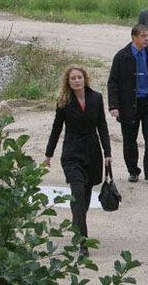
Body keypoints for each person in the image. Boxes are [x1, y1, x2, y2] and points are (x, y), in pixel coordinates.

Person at [45, 65, 112, 258]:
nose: (76, 81)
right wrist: (48, 155)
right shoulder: (63, 102)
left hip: (92, 152)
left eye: (79, 77)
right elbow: (56, 129)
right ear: (68, 81)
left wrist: (107, 152)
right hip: (72, 153)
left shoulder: (96, 98)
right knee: (77, 193)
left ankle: (77, 224)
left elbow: (103, 126)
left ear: (85, 79)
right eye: (72, 78)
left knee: (86, 196)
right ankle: (83, 243)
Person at [108, 24, 148, 183]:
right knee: (129, 139)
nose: (146, 38)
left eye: (147, 36)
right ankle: (133, 171)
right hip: (128, 104)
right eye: (143, 36)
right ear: (134, 37)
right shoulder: (122, 56)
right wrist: (114, 105)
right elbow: (113, 82)